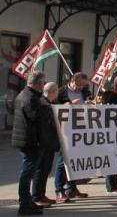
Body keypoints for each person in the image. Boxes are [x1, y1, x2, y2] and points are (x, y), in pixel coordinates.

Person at [12, 71, 46, 216]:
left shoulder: (25, 94)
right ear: (38, 83)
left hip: (27, 139)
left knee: (28, 171)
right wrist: (46, 107)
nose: (44, 85)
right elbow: (35, 117)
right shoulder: (31, 98)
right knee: (27, 173)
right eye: (43, 83)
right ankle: (24, 203)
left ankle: (27, 201)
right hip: (30, 140)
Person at [54, 73, 91, 200]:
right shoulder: (60, 92)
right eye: (78, 85)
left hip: (79, 129)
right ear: (72, 81)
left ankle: (72, 188)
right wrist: (69, 104)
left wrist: (90, 103)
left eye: (83, 85)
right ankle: (59, 190)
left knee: (75, 160)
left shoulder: (85, 92)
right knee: (62, 161)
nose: (80, 87)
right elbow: (54, 108)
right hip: (64, 130)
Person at [30, 82, 62, 208]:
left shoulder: (51, 104)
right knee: (41, 170)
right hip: (43, 142)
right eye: (56, 93)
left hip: (49, 142)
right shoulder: (43, 103)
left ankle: (41, 194)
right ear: (53, 92)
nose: (57, 96)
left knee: (46, 170)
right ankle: (37, 196)